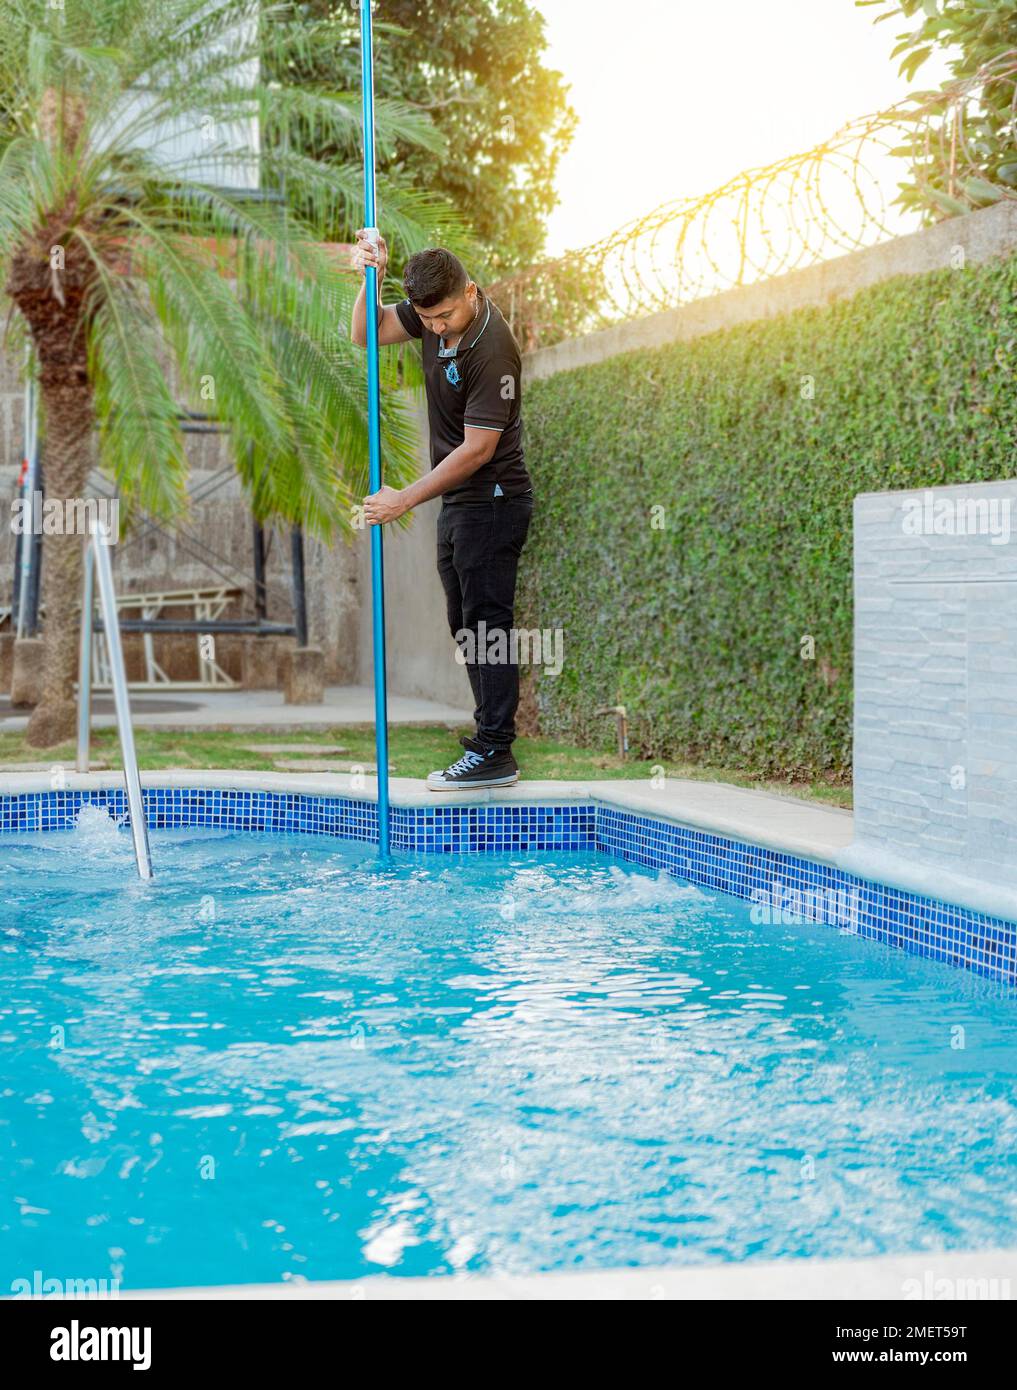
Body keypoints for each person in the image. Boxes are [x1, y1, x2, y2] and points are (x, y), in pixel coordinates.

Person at [350, 232, 534, 790]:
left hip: (495, 499)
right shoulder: (433, 310)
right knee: (466, 626)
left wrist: (403, 499)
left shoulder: (492, 346)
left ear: (470, 292)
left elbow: (478, 449)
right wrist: (369, 279)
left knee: (487, 623)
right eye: (426, 319)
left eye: (444, 316)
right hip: (460, 504)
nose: (434, 328)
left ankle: (496, 750)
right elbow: (365, 334)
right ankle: (488, 743)